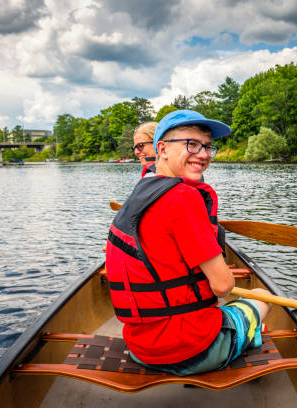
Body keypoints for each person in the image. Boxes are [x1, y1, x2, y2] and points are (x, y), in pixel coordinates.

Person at [106, 110, 271, 376]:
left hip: (140, 348)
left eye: (207, 146)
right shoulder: (184, 198)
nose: (204, 154)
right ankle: (247, 338)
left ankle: (245, 333)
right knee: (263, 297)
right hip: (192, 350)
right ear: (162, 149)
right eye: (191, 144)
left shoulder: (141, 192)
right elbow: (223, 286)